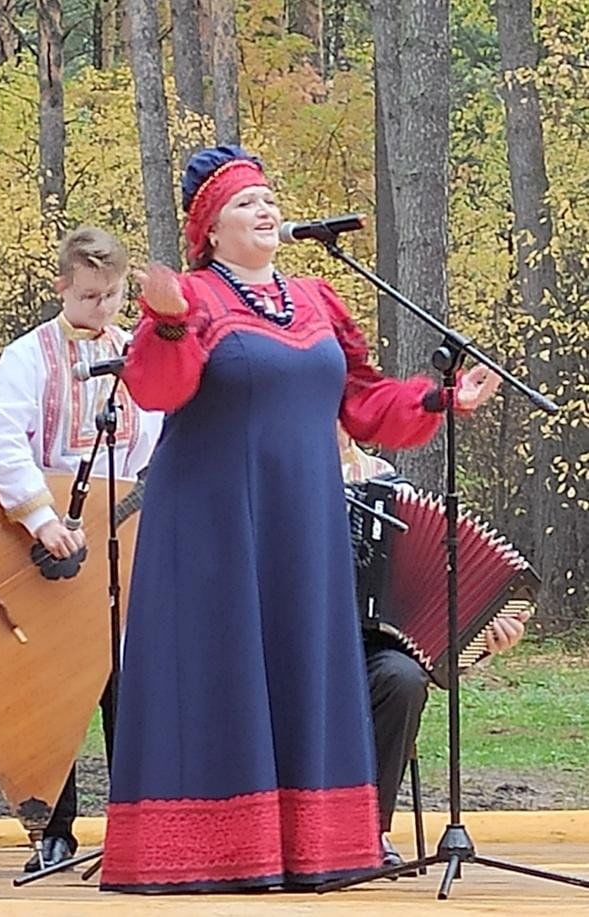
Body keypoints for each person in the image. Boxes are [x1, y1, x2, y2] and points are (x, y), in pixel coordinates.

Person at [100, 145, 501, 893]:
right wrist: (166, 323)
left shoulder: (315, 299)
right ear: (210, 230)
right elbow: (157, 390)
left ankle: (309, 846)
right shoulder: (189, 298)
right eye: (245, 202)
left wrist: (439, 398)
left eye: (268, 197)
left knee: (298, 664)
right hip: (212, 523)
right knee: (221, 669)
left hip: (301, 523)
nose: (265, 207)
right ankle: (210, 851)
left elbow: (364, 401)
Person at [0, 226, 164, 869]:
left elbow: (155, 441)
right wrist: (42, 517)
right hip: (48, 539)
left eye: (113, 297)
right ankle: (54, 829)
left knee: (124, 677)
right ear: (62, 287)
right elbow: (0, 444)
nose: (102, 309)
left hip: (123, 532)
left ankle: (137, 822)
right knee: (53, 683)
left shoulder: (138, 357)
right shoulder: (25, 357)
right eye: (89, 296)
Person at [339, 431, 527, 867]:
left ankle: (368, 832)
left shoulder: (390, 488)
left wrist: (484, 634)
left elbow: (437, 599)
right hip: (290, 641)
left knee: (403, 679)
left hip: (370, 647)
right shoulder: (274, 474)